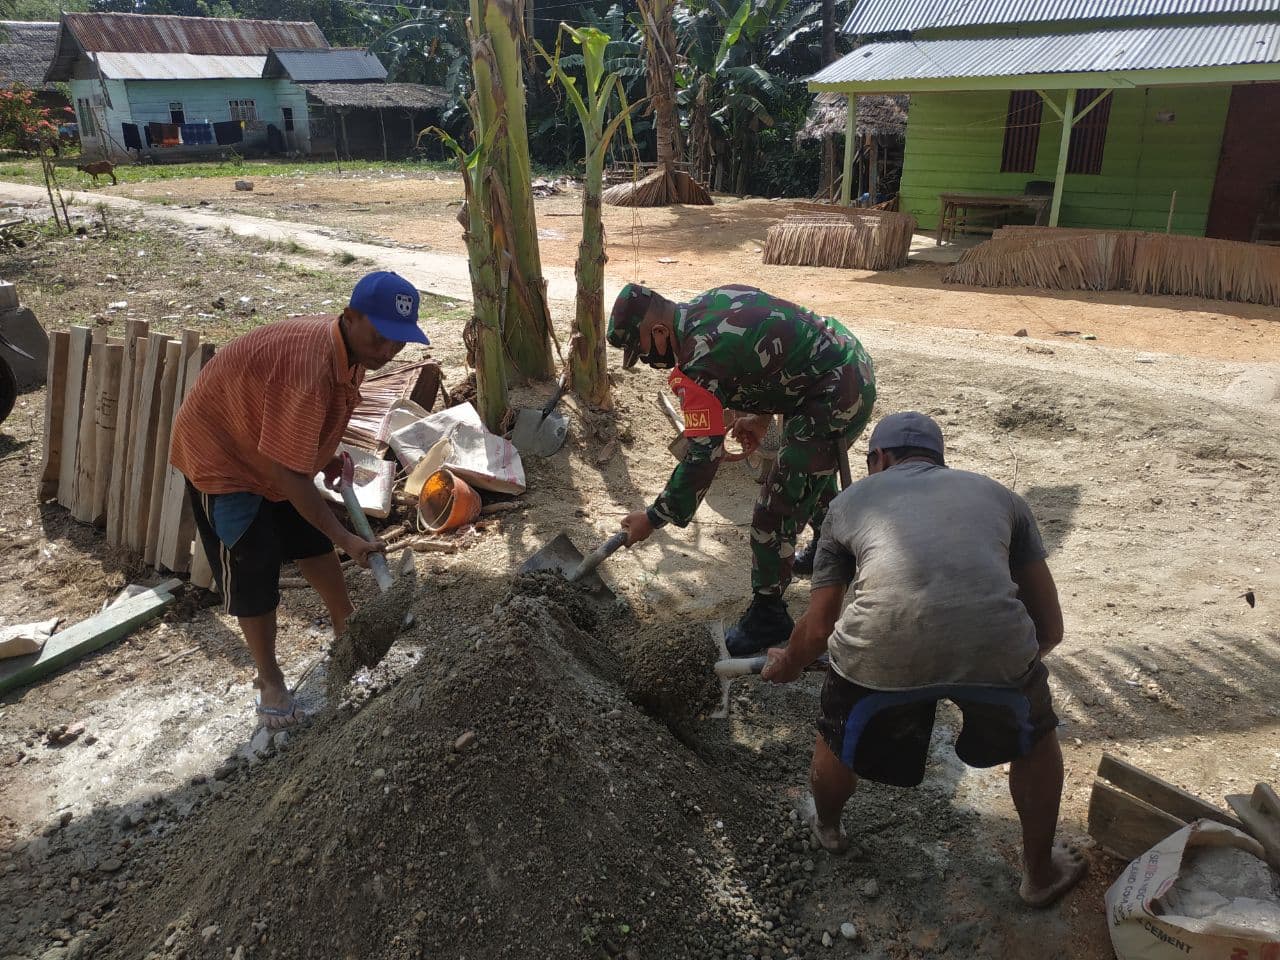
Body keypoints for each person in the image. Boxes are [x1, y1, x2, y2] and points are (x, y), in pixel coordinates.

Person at [761, 412, 1086, 908]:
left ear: (880, 459)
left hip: (880, 651)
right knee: (1036, 741)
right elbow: (1052, 627)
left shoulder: (848, 503)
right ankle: (1038, 874)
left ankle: (827, 827)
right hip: (995, 648)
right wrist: (1007, 666)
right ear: (938, 459)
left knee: (835, 737)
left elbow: (821, 623)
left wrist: (788, 662)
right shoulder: (1000, 497)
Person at [170, 271, 430, 729]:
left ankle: (346, 625)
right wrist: (349, 537)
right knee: (255, 562)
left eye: (399, 343)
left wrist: (324, 454)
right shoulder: (307, 368)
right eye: (381, 337)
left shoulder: (351, 352)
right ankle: (269, 680)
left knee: (311, 538)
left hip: (265, 449)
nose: (389, 352)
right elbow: (287, 473)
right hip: (224, 458)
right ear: (351, 317)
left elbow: (298, 435)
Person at [605, 283, 876, 655]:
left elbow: (703, 455)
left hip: (836, 390)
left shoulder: (698, 362)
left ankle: (768, 615)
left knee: (773, 509)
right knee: (809, 472)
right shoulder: (711, 302)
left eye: (645, 351)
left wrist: (652, 518)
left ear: (658, 332)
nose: (651, 361)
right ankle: (826, 547)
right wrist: (761, 418)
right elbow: (769, 354)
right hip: (842, 358)